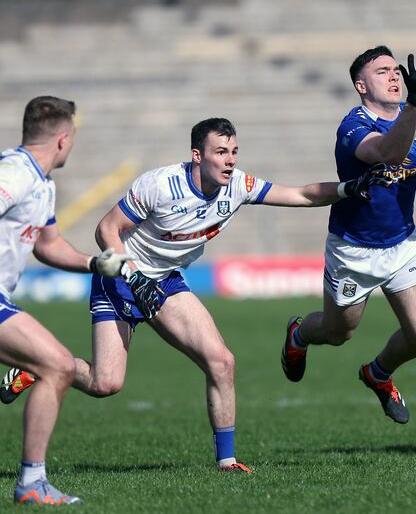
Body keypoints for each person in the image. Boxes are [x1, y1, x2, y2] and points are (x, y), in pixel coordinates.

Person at [1, 116, 387, 473]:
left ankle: (227, 461)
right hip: (121, 279)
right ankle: (40, 368)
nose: (230, 160)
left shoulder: (238, 186)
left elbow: (301, 194)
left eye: (234, 151)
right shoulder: (160, 184)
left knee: (222, 361)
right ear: (197, 155)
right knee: (106, 384)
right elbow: (106, 230)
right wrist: (133, 277)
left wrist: (345, 189)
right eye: (221, 152)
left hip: (166, 282)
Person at [280, 46, 416, 424]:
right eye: (382, 71)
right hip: (353, 250)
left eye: (395, 71)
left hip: (402, 244)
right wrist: (415, 104)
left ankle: (378, 373)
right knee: (339, 333)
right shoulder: (353, 126)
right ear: (361, 85)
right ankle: (298, 334)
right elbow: (388, 152)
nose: (394, 76)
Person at [0, 96, 131, 505]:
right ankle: (31, 484)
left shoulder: (42, 183)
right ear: (62, 138)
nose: (72, 144)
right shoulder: (15, 173)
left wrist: (97, 263)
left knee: (53, 365)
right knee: (56, 364)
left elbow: (48, 244)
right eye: (73, 136)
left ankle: (32, 484)